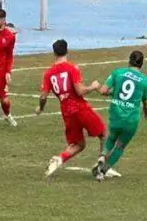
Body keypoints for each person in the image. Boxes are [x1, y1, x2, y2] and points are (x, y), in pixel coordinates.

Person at [38, 39, 106, 179]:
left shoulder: (48, 73)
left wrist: (40, 108)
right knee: (104, 134)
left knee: (79, 144)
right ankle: (102, 168)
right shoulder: (71, 68)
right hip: (80, 108)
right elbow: (80, 91)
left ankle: (60, 159)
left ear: (54, 52)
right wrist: (92, 87)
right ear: (67, 50)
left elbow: (43, 96)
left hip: (66, 112)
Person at [93, 50, 147, 181]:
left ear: (129, 61)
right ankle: (103, 171)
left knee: (111, 137)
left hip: (116, 114)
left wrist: (100, 88)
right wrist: (146, 115)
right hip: (131, 119)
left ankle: (102, 155)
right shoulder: (145, 81)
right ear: (141, 64)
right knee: (120, 146)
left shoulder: (117, 73)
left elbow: (103, 91)